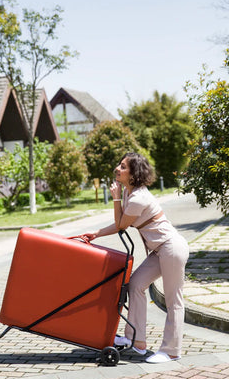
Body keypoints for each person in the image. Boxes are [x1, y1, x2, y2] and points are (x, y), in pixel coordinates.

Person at [80, 152, 189, 363]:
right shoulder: (132, 193)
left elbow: (121, 223)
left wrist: (116, 198)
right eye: (119, 165)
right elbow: (123, 223)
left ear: (133, 173)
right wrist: (97, 233)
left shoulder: (138, 197)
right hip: (159, 251)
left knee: (173, 299)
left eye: (123, 167)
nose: (117, 169)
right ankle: (137, 341)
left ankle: (172, 350)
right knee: (135, 284)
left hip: (171, 248)